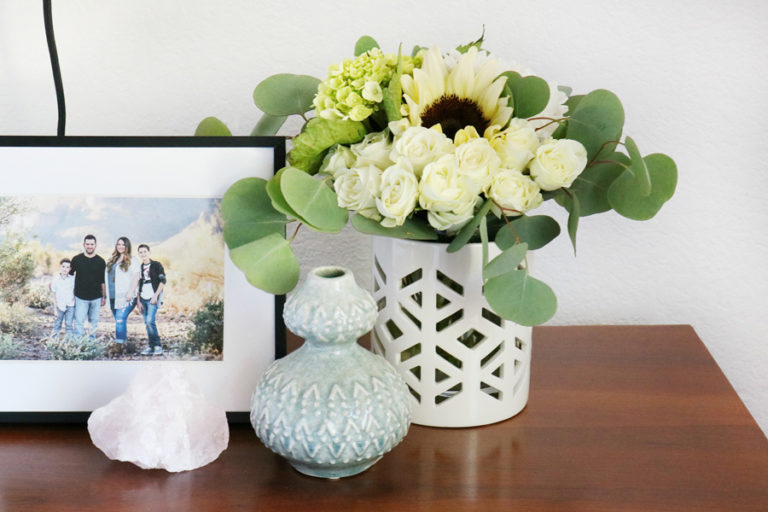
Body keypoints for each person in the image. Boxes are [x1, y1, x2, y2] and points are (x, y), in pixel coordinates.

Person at [104, 237, 140, 344]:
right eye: (119, 244)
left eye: (123, 245)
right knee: (119, 321)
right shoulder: (111, 260)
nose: (121, 246)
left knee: (120, 319)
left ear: (127, 246)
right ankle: (122, 343)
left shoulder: (132, 260)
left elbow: (136, 276)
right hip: (112, 296)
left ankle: (120, 344)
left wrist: (130, 292)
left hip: (126, 296)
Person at [70, 234, 106, 339]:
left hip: (96, 297)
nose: (89, 246)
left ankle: (91, 344)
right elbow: (69, 277)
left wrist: (104, 297)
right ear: (84, 245)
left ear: (95, 245)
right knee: (79, 322)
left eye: (92, 244)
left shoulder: (100, 261)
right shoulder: (76, 259)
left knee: (93, 322)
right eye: (87, 244)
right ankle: (78, 344)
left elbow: (102, 281)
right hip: (80, 297)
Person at [136, 244, 166, 355]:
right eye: (140, 252)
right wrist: (138, 301)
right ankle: (151, 346)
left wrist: (155, 296)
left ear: (149, 252)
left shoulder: (156, 265)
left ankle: (157, 346)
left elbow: (163, 281)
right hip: (142, 298)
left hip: (152, 297)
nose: (143, 254)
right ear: (138, 254)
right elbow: (137, 285)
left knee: (150, 321)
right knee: (147, 322)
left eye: (145, 251)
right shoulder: (139, 268)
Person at [49, 258, 75, 339]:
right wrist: (55, 306)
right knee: (57, 323)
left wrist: (74, 300)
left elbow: (75, 290)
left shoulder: (72, 279)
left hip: (70, 305)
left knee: (69, 324)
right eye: (63, 266)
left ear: (70, 269)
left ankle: (69, 342)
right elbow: (53, 293)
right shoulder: (56, 279)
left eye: (67, 267)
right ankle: (53, 341)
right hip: (59, 305)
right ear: (60, 267)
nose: (65, 269)